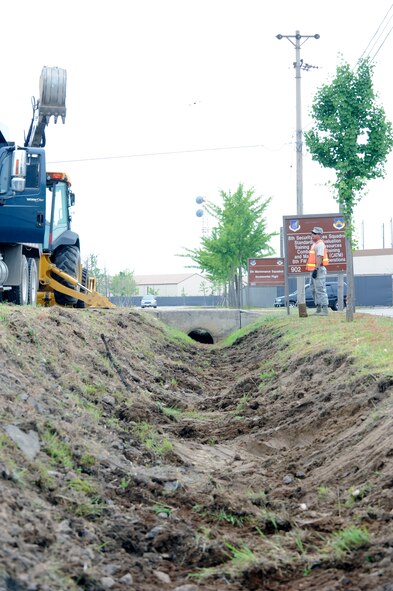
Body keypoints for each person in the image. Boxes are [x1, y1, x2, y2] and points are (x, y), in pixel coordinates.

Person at [306, 226, 329, 315]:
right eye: (312, 233)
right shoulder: (315, 244)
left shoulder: (320, 244)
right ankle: (318, 308)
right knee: (313, 289)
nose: (312, 235)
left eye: (314, 233)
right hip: (314, 270)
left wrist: (316, 269)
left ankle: (325, 310)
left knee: (320, 289)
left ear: (319, 235)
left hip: (318, 269)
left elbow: (320, 256)